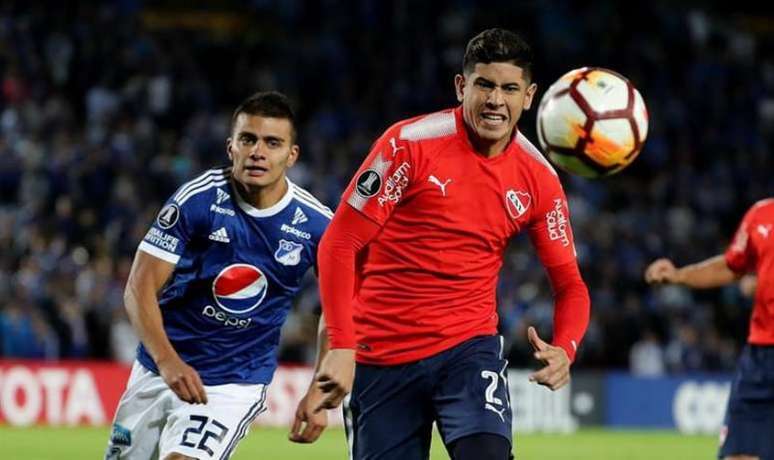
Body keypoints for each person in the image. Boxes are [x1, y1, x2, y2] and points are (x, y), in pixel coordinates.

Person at [307, 28, 591, 459]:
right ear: (462, 86)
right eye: (485, 85)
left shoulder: (540, 180)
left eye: (509, 88)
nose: (496, 100)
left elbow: (570, 284)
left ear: (528, 96)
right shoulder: (409, 145)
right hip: (382, 356)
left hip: (468, 352)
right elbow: (339, 243)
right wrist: (341, 345)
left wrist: (566, 347)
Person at [105, 91, 332, 459]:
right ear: (231, 148)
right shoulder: (197, 200)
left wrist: (321, 390)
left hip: (232, 383)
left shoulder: (317, 225)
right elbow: (138, 287)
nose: (258, 151)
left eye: (272, 143)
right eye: (248, 139)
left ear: (292, 156)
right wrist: (168, 361)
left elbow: (340, 310)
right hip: (157, 368)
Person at [645, 198, 774, 460]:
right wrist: (679, 275)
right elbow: (731, 265)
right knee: (739, 454)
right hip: (761, 358)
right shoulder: (762, 215)